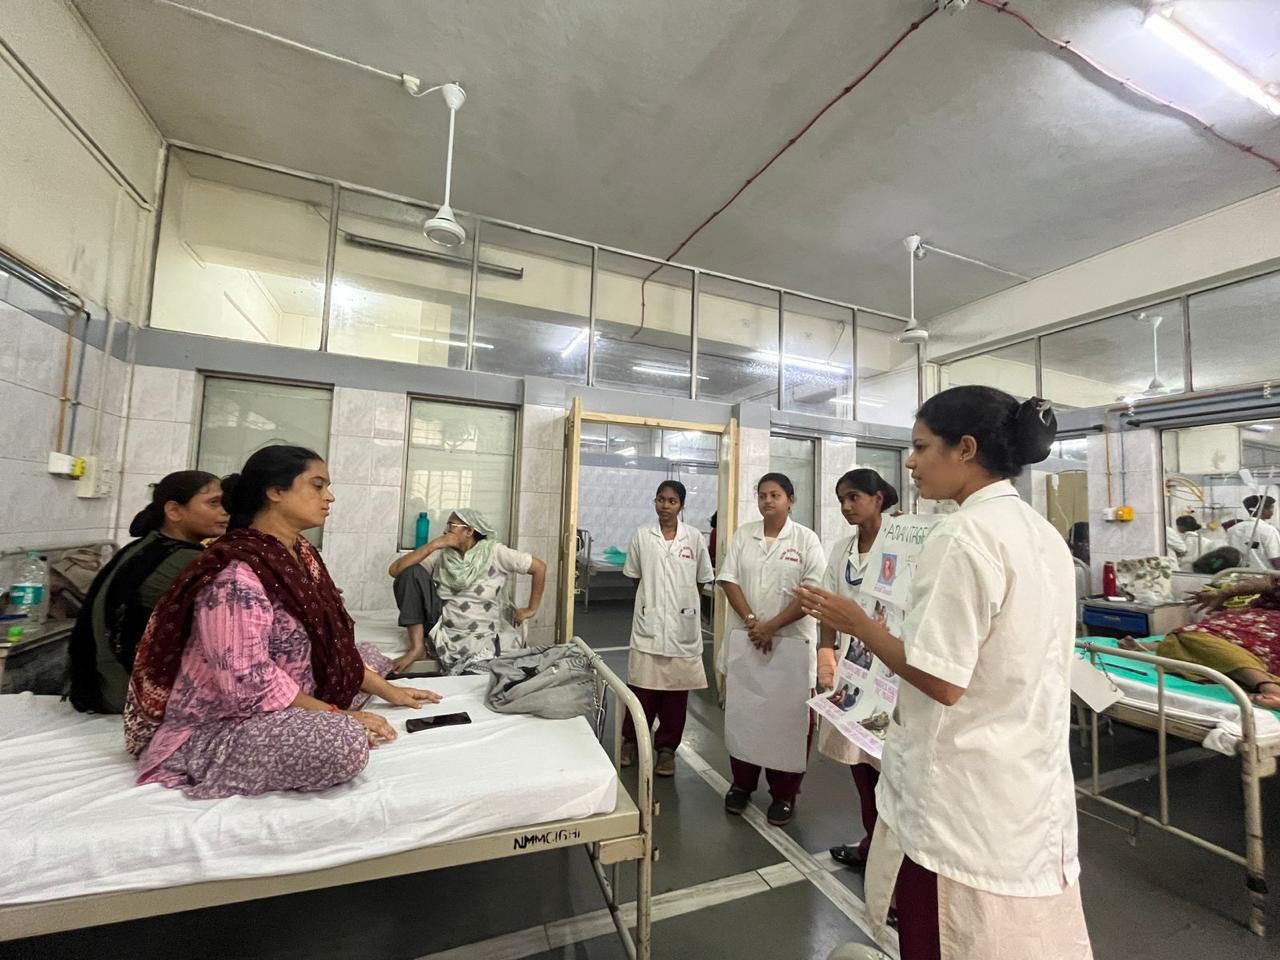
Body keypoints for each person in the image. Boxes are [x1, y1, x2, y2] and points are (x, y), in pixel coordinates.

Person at [799, 386, 1092, 960]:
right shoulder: (1040, 534)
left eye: (920, 446)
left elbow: (942, 679)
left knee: (947, 935)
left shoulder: (962, 536)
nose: (910, 463)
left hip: (959, 796)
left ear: (965, 448)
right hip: (1023, 784)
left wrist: (856, 623)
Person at [124, 445, 441, 799]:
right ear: (275, 491)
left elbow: (332, 643)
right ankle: (197, 755)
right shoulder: (235, 575)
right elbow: (247, 684)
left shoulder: (301, 556)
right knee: (342, 743)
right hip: (224, 723)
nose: (329, 497)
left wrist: (392, 692)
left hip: (286, 691)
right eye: (317, 486)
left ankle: (323, 709)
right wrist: (338, 715)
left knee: (365, 658)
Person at [68, 471, 229, 714]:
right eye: (213, 503)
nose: (224, 511)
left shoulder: (145, 546)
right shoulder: (184, 561)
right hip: (122, 692)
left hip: (95, 686)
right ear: (174, 511)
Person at [718, 472, 826, 827]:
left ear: (790, 499)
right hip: (748, 639)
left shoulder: (806, 540)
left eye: (775, 494)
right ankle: (742, 784)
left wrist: (772, 626)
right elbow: (729, 580)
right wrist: (753, 621)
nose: (767, 501)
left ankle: (784, 794)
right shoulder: (744, 535)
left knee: (789, 722)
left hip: (790, 647)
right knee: (745, 713)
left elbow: (811, 592)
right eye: (762, 495)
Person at [816, 468, 899, 874]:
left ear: (878, 498)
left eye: (854, 497)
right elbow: (828, 603)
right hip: (854, 669)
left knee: (891, 769)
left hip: (891, 669)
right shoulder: (841, 550)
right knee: (861, 764)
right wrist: (825, 652)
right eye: (841, 500)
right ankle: (872, 846)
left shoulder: (900, 546)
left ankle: (892, 859)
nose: (846, 507)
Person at [619, 480, 714, 777]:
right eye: (660, 499)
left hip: (681, 629)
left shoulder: (694, 538)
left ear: (681, 505)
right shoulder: (642, 535)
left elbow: (701, 579)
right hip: (649, 623)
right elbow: (635, 576)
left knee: (675, 694)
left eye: (672, 501)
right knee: (642, 689)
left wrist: (682, 605)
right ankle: (631, 741)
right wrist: (655, 604)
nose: (665, 506)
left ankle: (667, 750)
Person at [387, 509, 546, 675]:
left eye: (451, 526)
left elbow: (539, 567)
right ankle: (417, 647)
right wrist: (433, 545)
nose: (446, 531)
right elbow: (395, 570)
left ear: (469, 531)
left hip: (481, 630)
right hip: (441, 623)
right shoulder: (442, 554)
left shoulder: (495, 552)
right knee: (410, 572)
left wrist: (531, 609)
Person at [1119, 576, 1280, 709]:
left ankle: (1269, 688)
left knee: (1200, 636)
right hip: (1257, 616)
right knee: (1201, 631)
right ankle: (1156, 646)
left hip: (1271, 623)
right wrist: (1223, 593)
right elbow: (1269, 582)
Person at [1227, 496, 1280, 570]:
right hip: (1264, 575)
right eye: (1271, 507)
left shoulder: (1232, 530)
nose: (1272, 511)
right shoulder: (1269, 530)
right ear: (1262, 509)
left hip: (1239, 574)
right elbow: (1275, 559)